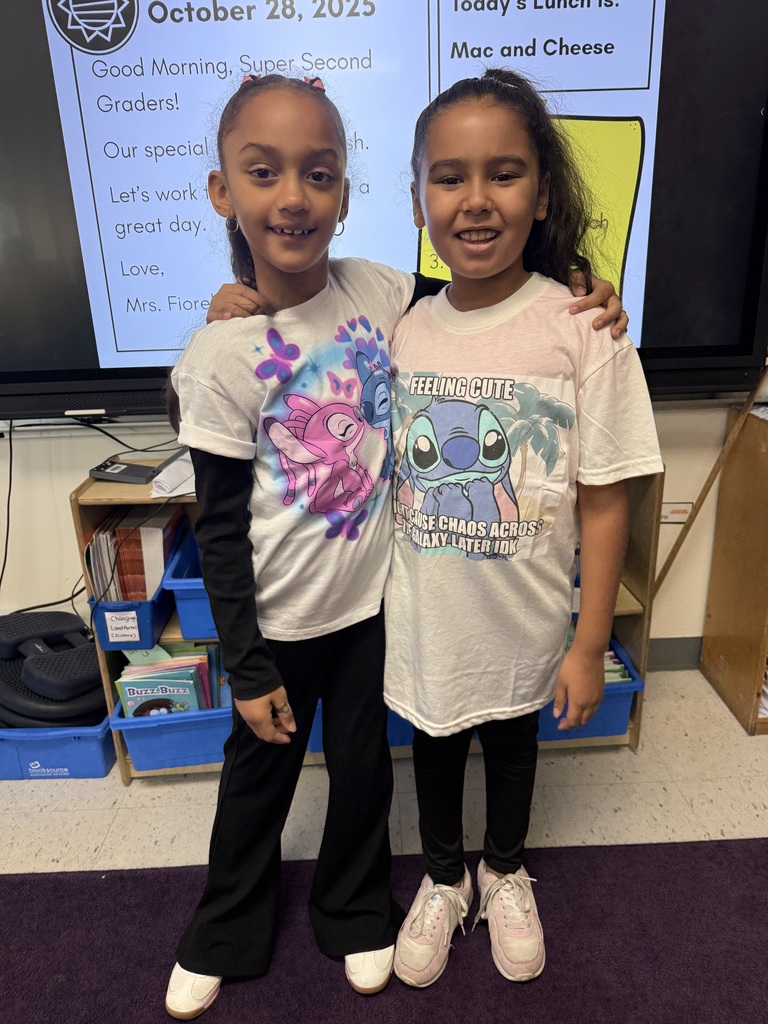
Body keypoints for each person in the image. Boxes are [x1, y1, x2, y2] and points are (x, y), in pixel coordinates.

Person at [165, 71, 629, 1020]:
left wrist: (584, 282)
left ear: (347, 191)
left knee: (366, 777)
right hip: (277, 622)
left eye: (320, 174)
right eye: (263, 173)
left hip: (375, 606)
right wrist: (244, 663)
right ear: (225, 192)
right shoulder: (220, 350)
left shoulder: (383, 294)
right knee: (258, 778)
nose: (293, 196)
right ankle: (223, 929)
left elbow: (489, 305)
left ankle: (355, 914)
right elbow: (215, 523)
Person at [383, 68, 664, 989]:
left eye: (503, 174)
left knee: (511, 747)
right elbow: (304, 316)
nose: (475, 200)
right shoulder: (401, 324)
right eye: (448, 176)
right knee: (431, 747)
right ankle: (441, 877)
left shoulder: (583, 327)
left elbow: (605, 497)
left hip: (527, 622)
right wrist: (242, 299)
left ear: (542, 193)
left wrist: (591, 644)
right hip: (426, 620)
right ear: (419, 193)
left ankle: (502, 869)